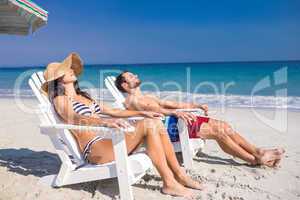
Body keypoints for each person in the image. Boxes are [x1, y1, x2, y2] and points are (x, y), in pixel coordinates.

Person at [41, 53, 204, 198]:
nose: (71, 70)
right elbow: (76, 117)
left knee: (152, 121)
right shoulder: (60, 100)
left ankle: (178, 175)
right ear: (58, 79)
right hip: (95, 149)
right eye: (66, 69)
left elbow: (113, 111)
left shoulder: (84, 96)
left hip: (108, 142)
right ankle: (169, 182)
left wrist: (141, 113)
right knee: (148, 125)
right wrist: (104, 121)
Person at [114, 71, 285, 167]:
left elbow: (171, 103)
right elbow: (155, 111)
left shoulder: (147, 95)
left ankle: (258, 152)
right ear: (124, 85)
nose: (135, 75)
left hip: (178, 119)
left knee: (223, 125)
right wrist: (173, 113)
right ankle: (254, 159)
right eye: (131, 76)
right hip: (169, 128)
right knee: (219, 132)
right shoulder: (131, 101)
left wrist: (195, 104)